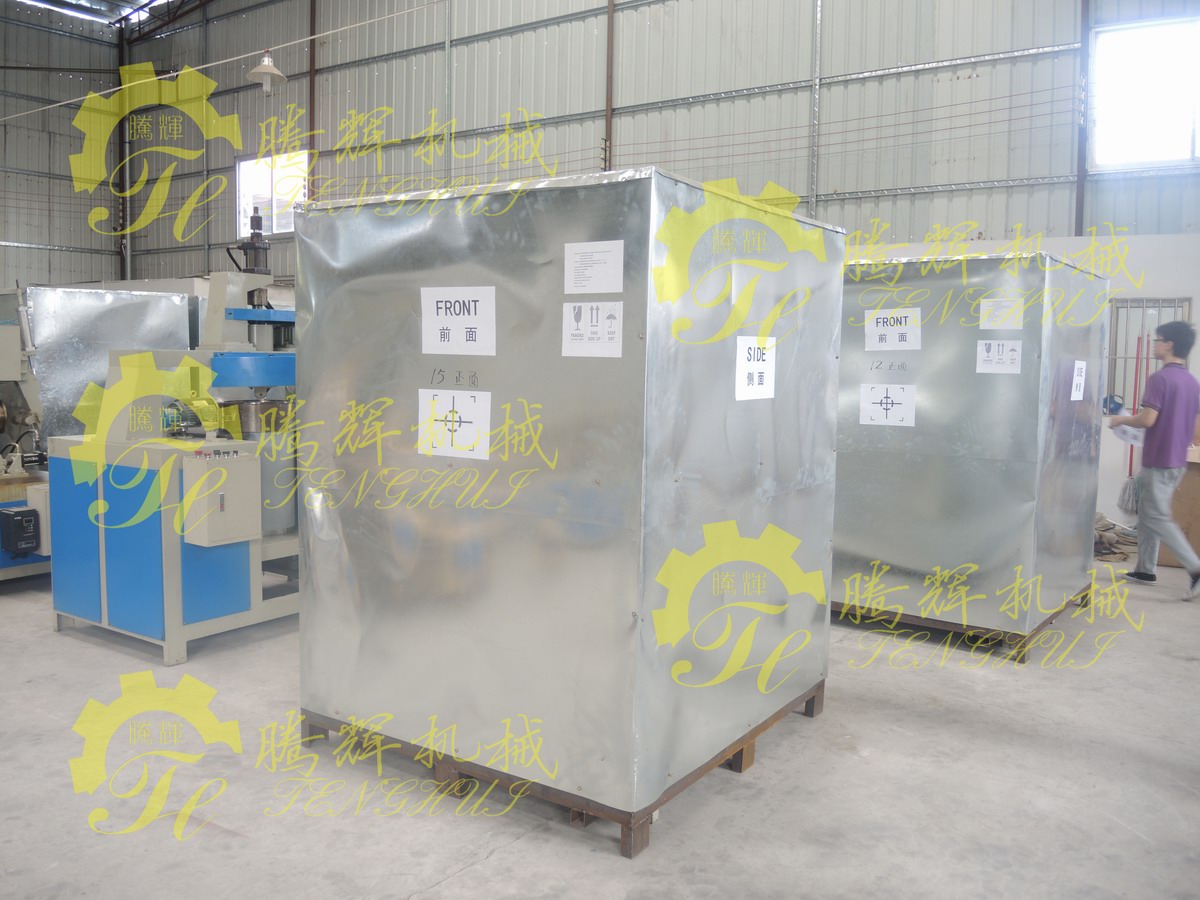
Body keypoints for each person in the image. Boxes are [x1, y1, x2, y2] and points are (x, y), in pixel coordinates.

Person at [1109, 321, 1200, 598]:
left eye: (1158, 340)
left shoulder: (1160, 379)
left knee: (1157, 517)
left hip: (1159, 459)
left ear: (1169, 344)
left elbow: (1148, 419)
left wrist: (1120, 420)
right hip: (1176, 460)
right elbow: (1195, 426)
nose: (1154, 344)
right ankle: (1145, 570)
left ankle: (1196, 568)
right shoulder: (1191, 382)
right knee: (1149, 515)